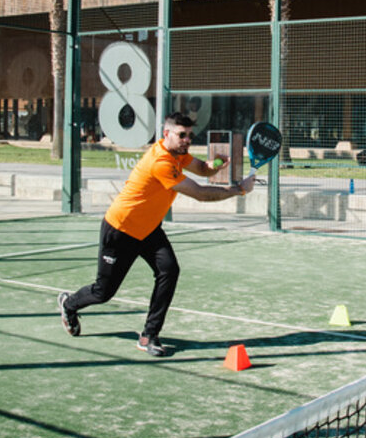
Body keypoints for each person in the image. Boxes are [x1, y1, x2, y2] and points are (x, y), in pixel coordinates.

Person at [57, 112, 256, 357]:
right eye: (181, 135)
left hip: (149, 229)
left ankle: (149, 334)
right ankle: (69, 304)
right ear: (166, 134)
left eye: (189, 136)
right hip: (121, 229)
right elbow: (200, 194)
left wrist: (216, 165)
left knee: (169, 270)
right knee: (103, 292)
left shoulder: (178, 154)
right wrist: (239, 190)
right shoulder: (160, 162)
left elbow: (203, 170)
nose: (186, 140)